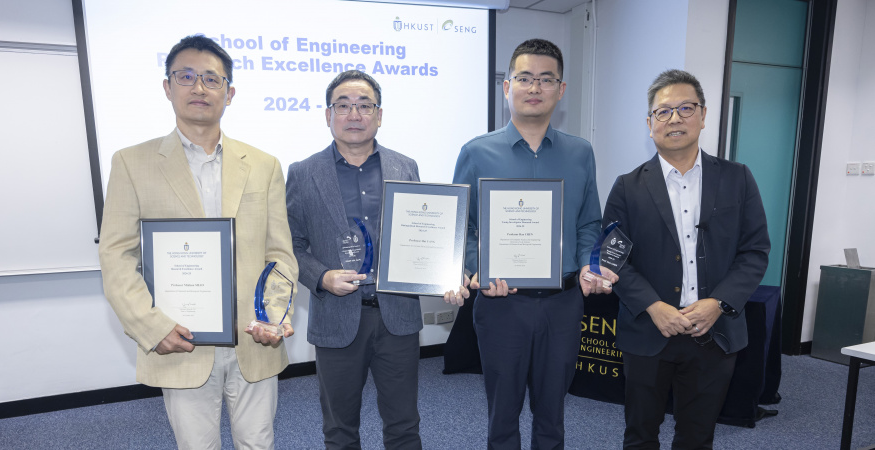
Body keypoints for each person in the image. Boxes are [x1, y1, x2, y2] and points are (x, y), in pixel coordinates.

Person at [98, 35, 298, 449]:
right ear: (167, 87)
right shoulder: (131, 163)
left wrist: (274, 314)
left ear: (230, 93)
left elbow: (279, 253)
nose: (200, 88)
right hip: (180, 340)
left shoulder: (264, 165)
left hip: (253, 336)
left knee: (258, 444)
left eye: (212, 78)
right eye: (186, 76)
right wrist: (153, 328)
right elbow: (116, 256)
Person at [286, 70, 466, 450]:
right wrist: (321, 277)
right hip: (337, 317)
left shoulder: (406, 166)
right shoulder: (303, 173)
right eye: (344, 105)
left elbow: (425, 235)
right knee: (339, 429)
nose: (354, 114)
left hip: (397, 316)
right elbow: (291, 245)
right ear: (328, 114)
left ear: (379, 115)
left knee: (403, 426)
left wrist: (446, 273)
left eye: (364, 106)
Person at [452, 38, 615, 449]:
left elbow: (588, 222)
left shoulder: (581, 153)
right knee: (502, 417)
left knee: (552, 417)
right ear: (507, 87)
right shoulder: (476, 152)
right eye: (524, 78)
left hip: (563, 303)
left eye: (546, 79)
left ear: (561, 91)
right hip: (502, 304)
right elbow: (462, 228)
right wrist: (479, 269)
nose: (534, 87)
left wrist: (586, 265)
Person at [603, 69, 770, 449]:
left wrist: (718, 303)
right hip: (649, 331)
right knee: (640, 434)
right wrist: (652, 307)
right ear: (649, 124)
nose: (675, 118)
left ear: (704, 115)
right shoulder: (627, 187)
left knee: (697, 436)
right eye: (663, 112)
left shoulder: (737, 178)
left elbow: (755, 250)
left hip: (714, 333)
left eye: (685, 108)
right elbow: (614, 259)